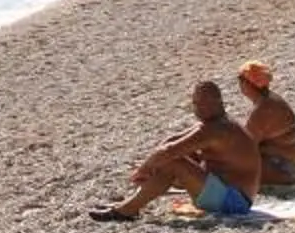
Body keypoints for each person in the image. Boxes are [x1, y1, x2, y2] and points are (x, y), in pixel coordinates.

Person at [90, 79, 263, 220]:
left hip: (233, 202)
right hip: (227, 193)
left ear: (217, 103)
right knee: (170, 161)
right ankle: (128, 205)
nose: (198, 108)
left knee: (173, 163)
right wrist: (152, 164)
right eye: (196, 104)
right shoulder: (215, 124)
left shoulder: (216, 129)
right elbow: (171, 141)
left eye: (201, 104)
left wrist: (144, 169)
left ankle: (127, 210)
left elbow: (169, 150)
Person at [237, 61, 295, 186]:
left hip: (283, 170)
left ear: (246, 84)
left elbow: (246, 144)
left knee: (229, 168)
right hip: (285, 166)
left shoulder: (264, 109)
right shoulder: (269, 101)